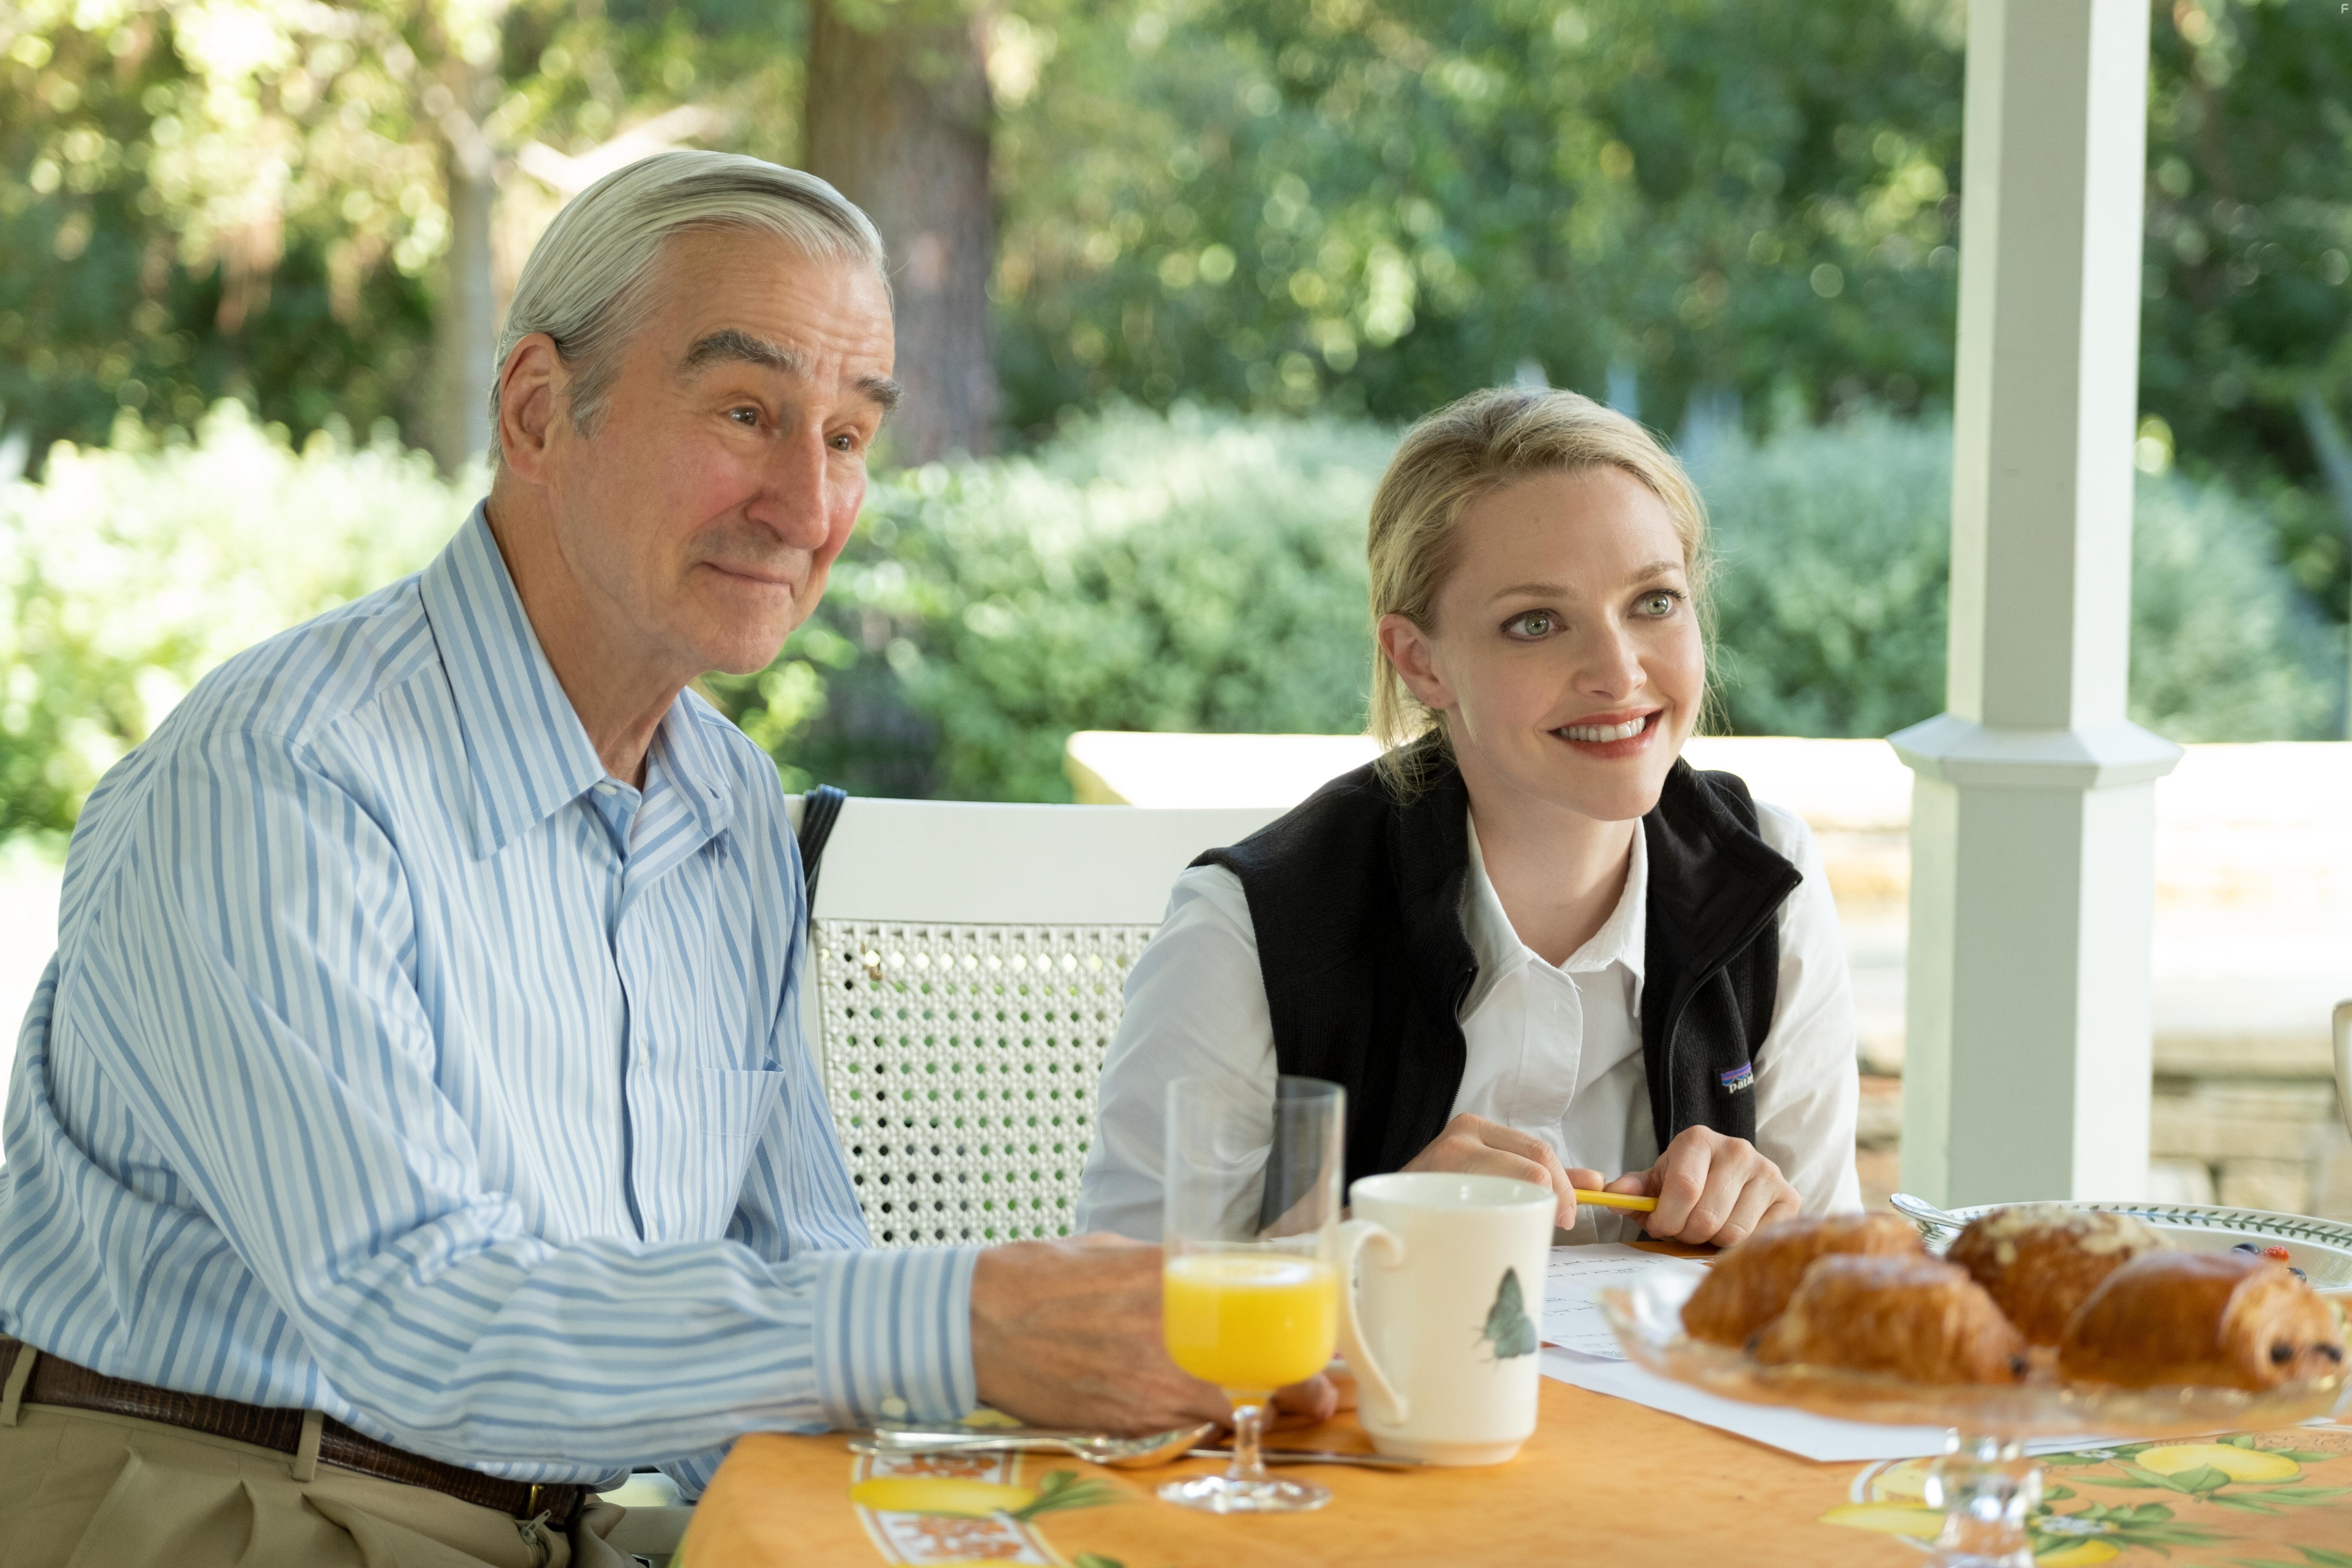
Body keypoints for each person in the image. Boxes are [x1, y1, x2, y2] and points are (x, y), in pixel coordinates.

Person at [0, 152, 1294, 1568]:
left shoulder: (730, 803)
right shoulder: (283, 778)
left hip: (572, 1527)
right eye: (747, 413)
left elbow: (799, 1270)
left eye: (850, 437)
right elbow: (414, 1319)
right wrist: (972, 1321)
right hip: (225, 1505)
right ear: (540, 411)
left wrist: (1116, 1423)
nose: (808, 507)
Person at [1079, 386, 1863, 1249]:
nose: (1618, 672)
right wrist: (1378, 1235)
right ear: (1421, 663)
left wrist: (1774, 1236)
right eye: (1536, 622)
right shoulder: (1249, 931)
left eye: (1654, 601)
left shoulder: (1770, 876)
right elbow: (1113, 1318)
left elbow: (1836, 1292)